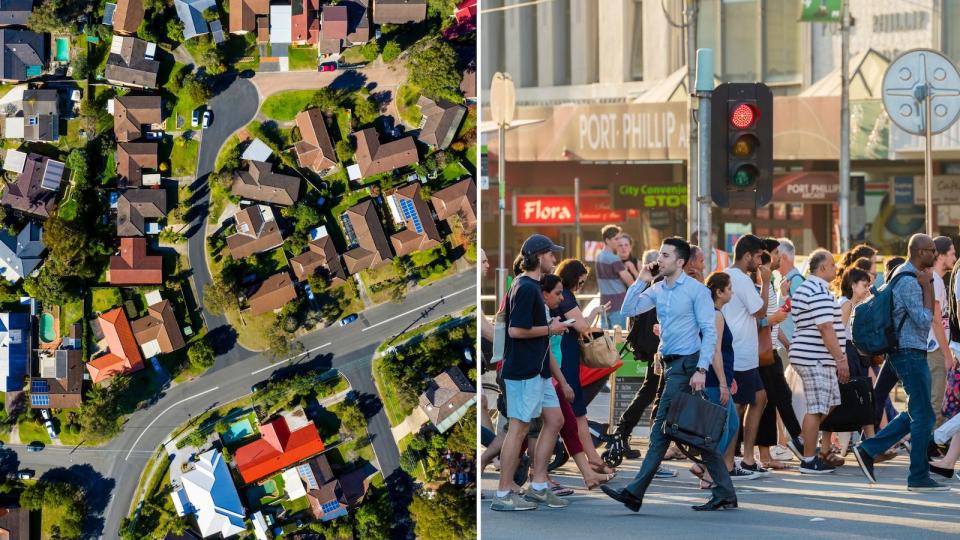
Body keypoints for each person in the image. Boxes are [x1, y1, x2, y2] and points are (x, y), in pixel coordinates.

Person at [601, 237, 737, 512]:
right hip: (669, 366)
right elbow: (628, 309)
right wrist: (640, 279)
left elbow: (709, 332)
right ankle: (724, 492)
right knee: (689, 430)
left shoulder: (696, 292)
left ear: (680, 262)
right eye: (659, 255)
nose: (659, 260)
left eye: (665, 255)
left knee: (662, 429)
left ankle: (635, 492)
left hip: (687, 367)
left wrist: (701, 369)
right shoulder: (658, 288)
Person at [853, 234, 950, 491]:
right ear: (919, 253)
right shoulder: (910, 280)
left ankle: (868, 450)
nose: (935, 254)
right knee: (924, 414)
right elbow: (923, 319)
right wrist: (928, 285)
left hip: (905, 351)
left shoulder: (902, 273)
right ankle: (917, 476)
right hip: (909, 352)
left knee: (918, 412)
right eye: (931, 250)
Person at [492, 234, 575, 511]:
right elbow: (516, 330)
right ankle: (503, 494)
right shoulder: (526, 287)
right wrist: (553, 328)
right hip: (524, 372)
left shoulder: (529, 285)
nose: (555, 259)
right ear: (540, 256)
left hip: (536, 371)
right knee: (519, 429)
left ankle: (539, 485)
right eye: (552, 254)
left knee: (555, 420)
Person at [540, 273, 614, 490]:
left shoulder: (550, 304)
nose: (561, 298)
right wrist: (562, 381)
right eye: (557, 293)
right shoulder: (556, 302)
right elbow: (581, 328)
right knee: (530, 429)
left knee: (566, 422)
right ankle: (534, 476)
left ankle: (586, 472)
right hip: (552, 369)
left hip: (555, 368)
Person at [790, 249, 848, 474]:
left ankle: (805, 439)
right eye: (833, 265)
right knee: (816, 409)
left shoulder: (810, 288)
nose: (836, 269)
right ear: (822, 268)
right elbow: (826, 328)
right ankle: (807, 458)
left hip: (817, 357)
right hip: (815, 358)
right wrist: (840, 359)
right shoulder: (817, 291)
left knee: (831, 401)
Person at [722, 234, 770, 478]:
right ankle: (729, 464)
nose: (761, 261)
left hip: (742, 353)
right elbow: (760, 311)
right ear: (748, 255)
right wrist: (766, 282)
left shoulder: (731, 276)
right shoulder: (740, 279)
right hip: (739, 353)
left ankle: (748, 459)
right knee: (738, 407)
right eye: (759, 256)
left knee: (759, 399)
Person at [754, 239, 805, 469]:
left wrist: (788, 344)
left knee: (776, 401)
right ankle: (797, 442)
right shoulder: (759, 282)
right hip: (762, 354)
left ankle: (785, 447)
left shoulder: (772, 282)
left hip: (771, 350)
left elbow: (775, 322)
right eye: (775, 253)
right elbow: (762, 319)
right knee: (775, 400)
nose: (778, 258)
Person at [689, 272, 740, 489]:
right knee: (723, 428)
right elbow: (715, 351)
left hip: (719, 376)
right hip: (713, 379)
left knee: (732, 424)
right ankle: (708, 472)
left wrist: (729, 378)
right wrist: (722, 383)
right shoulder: (716, 314)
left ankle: (703, 467)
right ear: (719, 292)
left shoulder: (709, 312)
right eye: (729, 289)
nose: (732, 292)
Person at [611, 249, 661, 459]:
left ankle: (622, 432)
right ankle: (624, 433)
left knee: (651, 391)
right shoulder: (654, 289)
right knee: (653, 392)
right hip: (657, 350)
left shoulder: (651, 289)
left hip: (653, 349)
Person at [928, 236, 958, 427]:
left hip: (938, 347)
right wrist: (947, 354)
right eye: (952, 253)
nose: (955, 258)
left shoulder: (936, 280)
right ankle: (931, 443)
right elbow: (936, 321)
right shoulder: (936, 281)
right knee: (935, 402)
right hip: (936, 349)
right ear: (940, 256)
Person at [596, 225, 635, 329]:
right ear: (607, 240)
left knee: (607, 340)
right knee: (619, 340)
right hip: (618, 304)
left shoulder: (599, 256)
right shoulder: (613, 259)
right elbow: (631, 282)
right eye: (616, 239)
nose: (619, 242)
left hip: (604, 304)